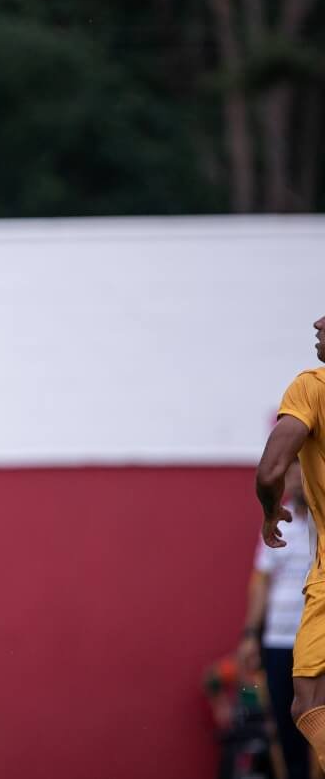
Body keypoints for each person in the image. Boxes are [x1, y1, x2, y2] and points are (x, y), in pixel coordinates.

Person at [255, 315, 325, 769]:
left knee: (309, 703)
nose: (318, 323)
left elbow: (269, 471)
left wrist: (268, 510)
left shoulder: (312, 387)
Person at [240, 462, 314, 779]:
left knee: (314, 721)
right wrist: (250, 634)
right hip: (278, 640)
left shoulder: (322, 521)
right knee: (282, 723)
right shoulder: (276, 521)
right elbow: (261, 581)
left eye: (303, 472)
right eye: (292, 473)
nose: (297, 480)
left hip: (316, 640)